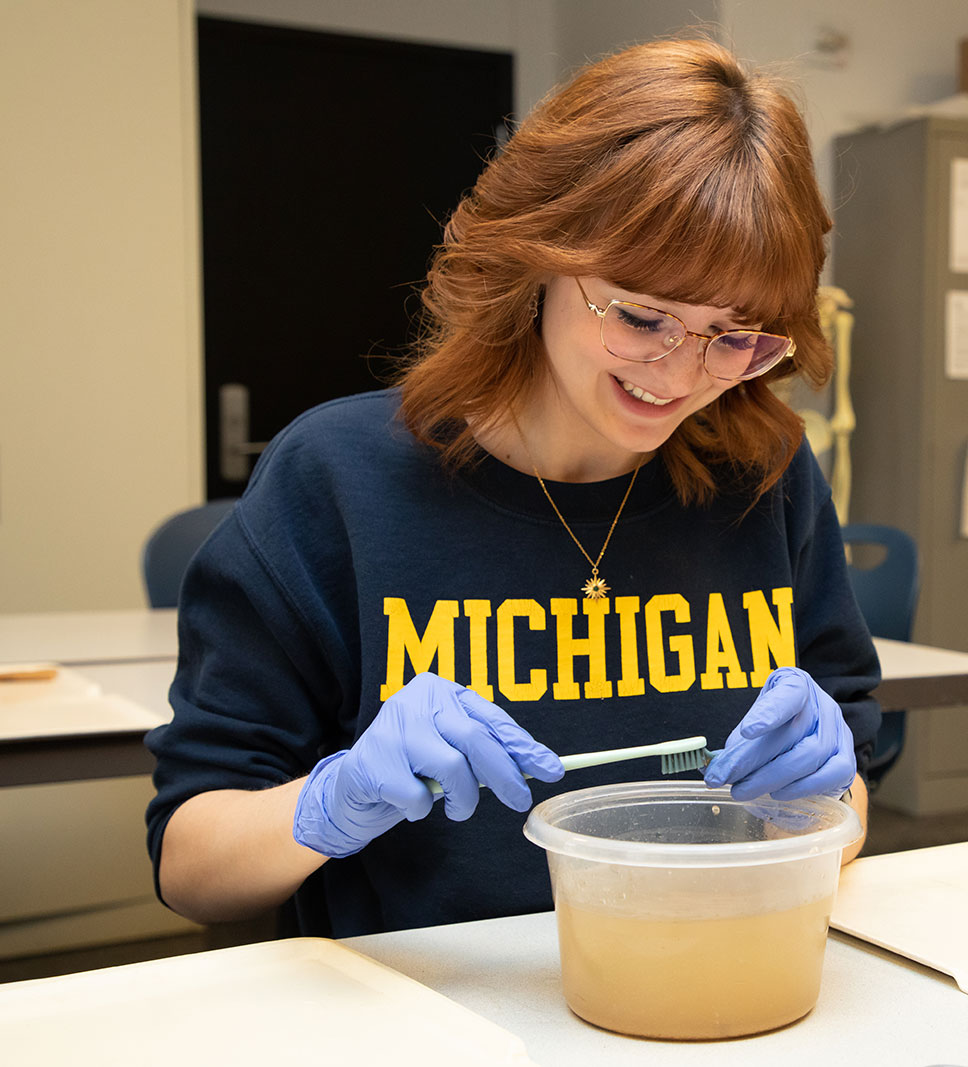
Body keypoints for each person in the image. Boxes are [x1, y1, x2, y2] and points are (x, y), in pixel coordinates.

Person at [144, 38, 881, 939]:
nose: (681, 373)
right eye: (644, 316)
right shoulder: (338, 482)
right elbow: (190, 870)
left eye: (735, 336)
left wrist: (828, 800)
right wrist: (331, 803)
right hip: (425, 1010)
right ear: (539, 258)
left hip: (708, 979)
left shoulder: (764, 474)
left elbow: (847, 804)